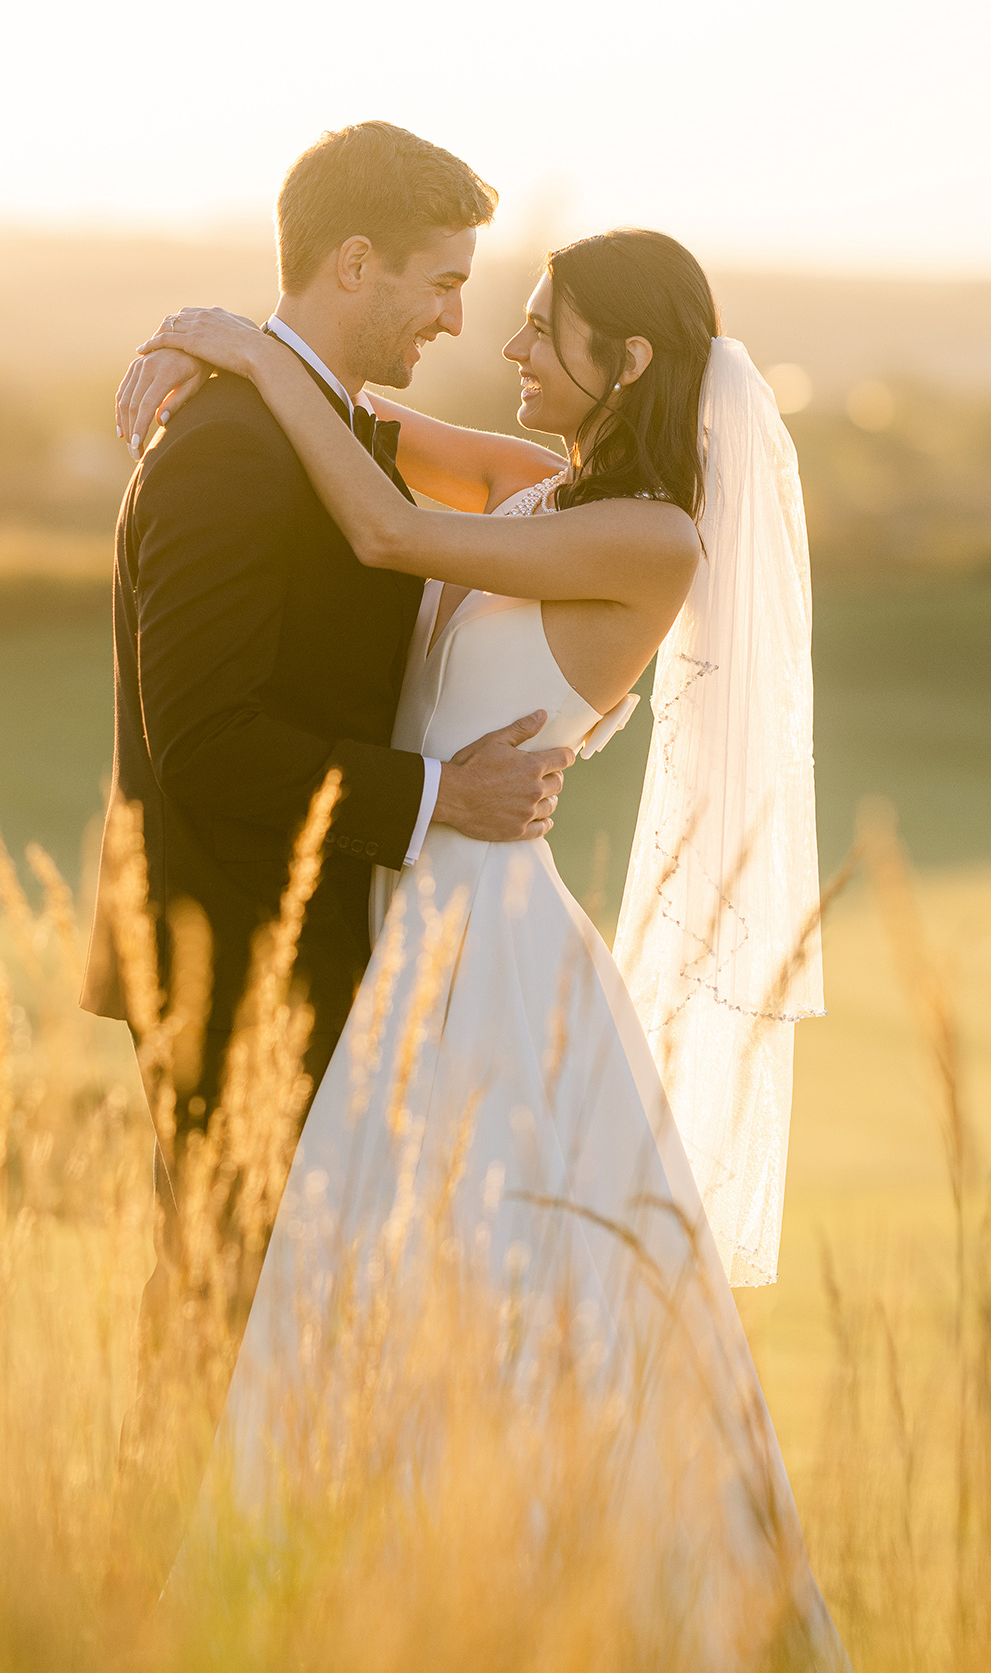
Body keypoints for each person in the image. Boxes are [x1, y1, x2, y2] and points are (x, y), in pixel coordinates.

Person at [122, 227, 845, 1664]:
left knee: (478, 1295)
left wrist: (251, 349)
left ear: (625, 362)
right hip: (416, 923)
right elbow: (368, 423)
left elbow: (385, 527)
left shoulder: (653, 539)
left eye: (539, 328)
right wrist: (220, 341)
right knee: (369, 1297)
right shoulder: (548, 487)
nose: (505, 349)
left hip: (489, 957)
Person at [81, 122, 578, 1411]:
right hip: (230, 956)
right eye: (444, 282)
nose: (455, 320)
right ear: (355, 263)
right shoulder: (229, 454)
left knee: (289, 1334)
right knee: (224, 1325)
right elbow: (207, 743)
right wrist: (436, 797)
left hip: (306, 951)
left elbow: (536, 487)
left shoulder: (313, 424)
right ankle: (160, 1594)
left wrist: (241, 341)